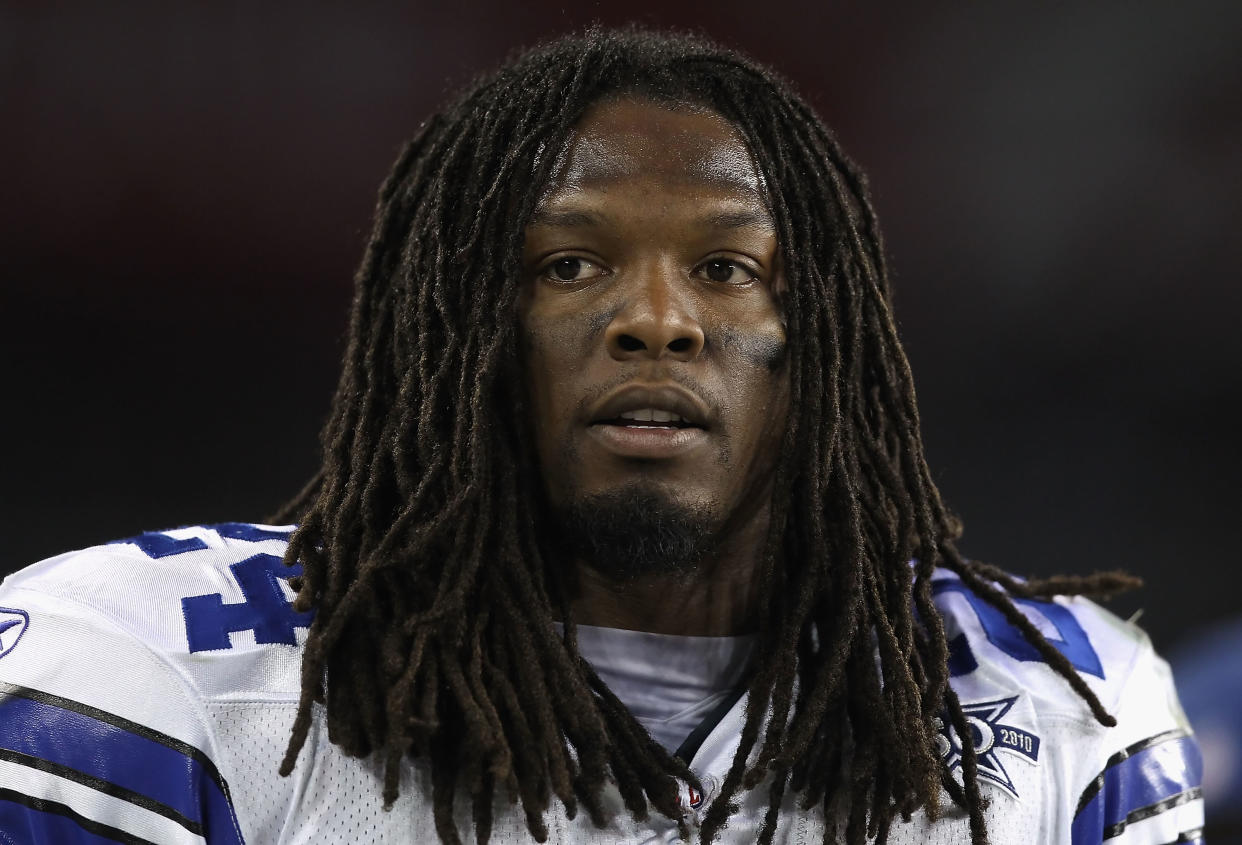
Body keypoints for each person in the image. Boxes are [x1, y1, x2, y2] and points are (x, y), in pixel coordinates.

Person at [0, 28, 1203, 845]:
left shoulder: (1060, 710)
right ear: (456, 328)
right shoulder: (131, 681)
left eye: (729, 270)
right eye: (570, 265)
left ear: (828, 343)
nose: (658, 322)